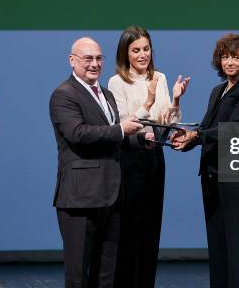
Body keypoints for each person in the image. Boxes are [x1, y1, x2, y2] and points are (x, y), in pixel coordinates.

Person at [49, 37, 143, 288]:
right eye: (88, 58)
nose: (94, 64)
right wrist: (121, 130)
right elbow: (78, 134)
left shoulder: (108, 95)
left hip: (111, 196)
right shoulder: (63, 94)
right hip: (80, 198)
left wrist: (143, 139)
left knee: (106, 274)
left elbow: (115, 139)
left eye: (99, 58)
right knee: (79, 274)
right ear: (72, 61)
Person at [171, 33, 239, 288]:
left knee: (235, 245)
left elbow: (233, 129)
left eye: (235, 57)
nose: (229, 62)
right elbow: (207, 127)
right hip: (210, 174)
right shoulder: (217, 90)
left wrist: (196, 135)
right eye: (225, 57)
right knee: (217, 245)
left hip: (232, 176)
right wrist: (187, 139)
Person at [107, 26, 190, 287]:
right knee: (129, 229)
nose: (143, 54)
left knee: (151, 228)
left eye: (146, 49)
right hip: (129, 158)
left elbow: (169, 121)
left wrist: (175, 101)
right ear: (125, 53)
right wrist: (149, 100)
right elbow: (123, 123)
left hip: (154, 158)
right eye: (136, 50)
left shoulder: (160, 77)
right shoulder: (116, 82)